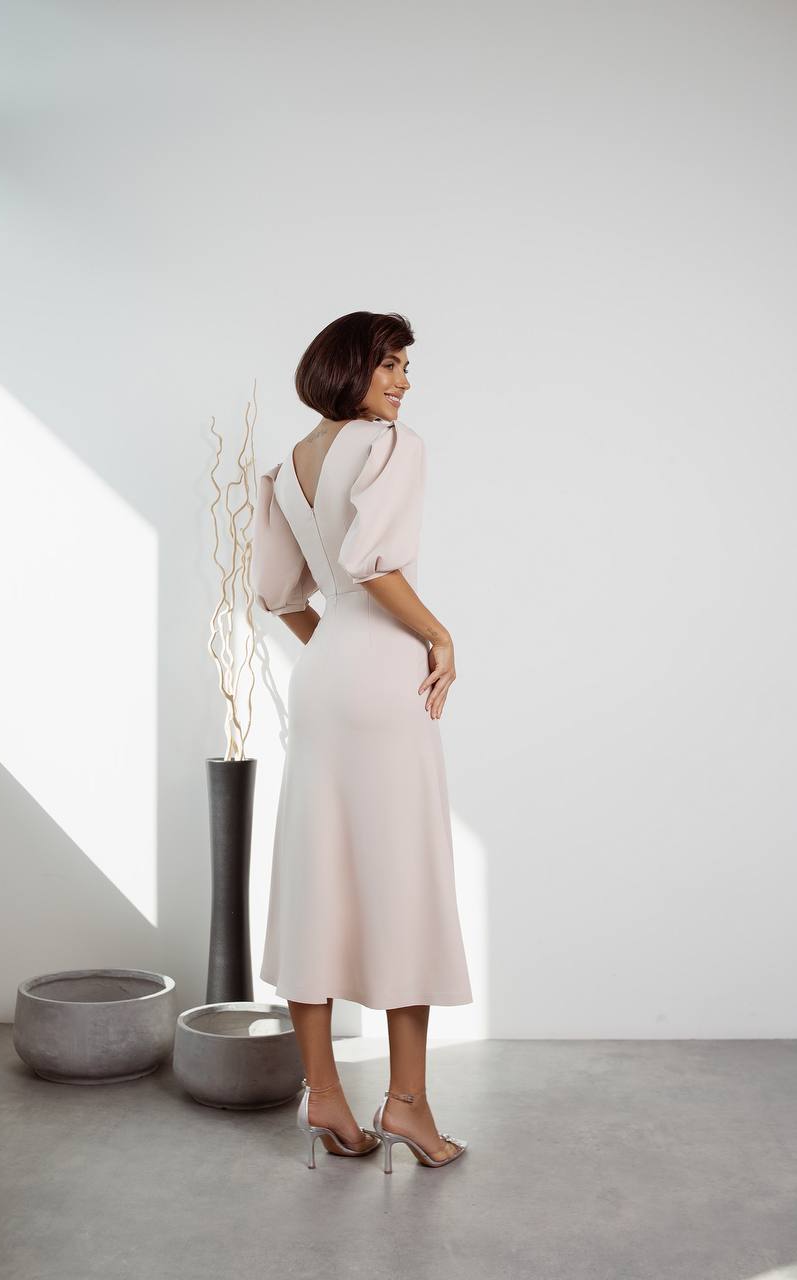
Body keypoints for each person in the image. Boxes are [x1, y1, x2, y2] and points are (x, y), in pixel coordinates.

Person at [250, 311, 472, 1172]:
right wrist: (440, 637)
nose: (404, 382)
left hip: (325, 676)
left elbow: (279, 594)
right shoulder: (388, 445)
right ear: (351, 367)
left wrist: (340, 658)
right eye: (390, 364)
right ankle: (407, 1106)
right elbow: (377, 565)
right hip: (383, 674)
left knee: (319, 877)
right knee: (400, 877)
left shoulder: (287, 467)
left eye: (406, 368)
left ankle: (325, 1095)